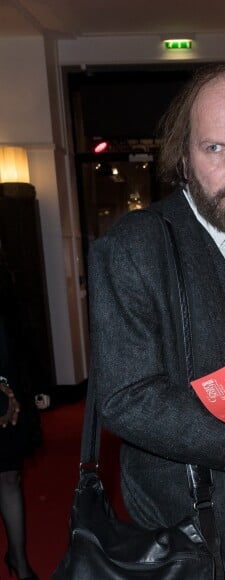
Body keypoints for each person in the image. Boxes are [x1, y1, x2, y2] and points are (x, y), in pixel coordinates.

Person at [87, 63, 225, 579]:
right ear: (185, 159)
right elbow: (128, 398)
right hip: (190, 539)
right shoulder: (133, 248)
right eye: (216, 148)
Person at [0, 244, 40, 580]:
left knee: (9, 474)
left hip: (7, 382)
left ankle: (19, 561)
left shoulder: (3, 272)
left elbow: (14, 332)